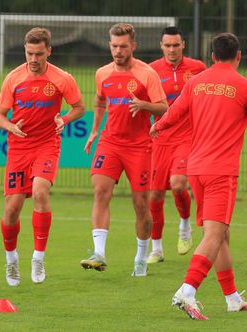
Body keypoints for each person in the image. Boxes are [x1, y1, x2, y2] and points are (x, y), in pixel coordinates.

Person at [150, 33, 247, 320]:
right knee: (214, 234)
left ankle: (232, 298)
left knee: (221, 235)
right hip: (221, 172)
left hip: (195, 169)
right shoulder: (244, 85)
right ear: (238, 56)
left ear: (211, 56)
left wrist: (158, 125)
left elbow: (175, 112)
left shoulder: (195, 82)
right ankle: (187, 290)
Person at [0, 27, 85, 286]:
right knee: (11, 210)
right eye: (30, 53)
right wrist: (10, 126)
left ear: (49, 51)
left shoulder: (62, 78)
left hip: (47, 144)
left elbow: (79, 107)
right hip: (19, 147)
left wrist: (64, 119)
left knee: (40, 193)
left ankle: (38, 257)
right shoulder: (13, 78)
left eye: (39, 54)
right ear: (25, 50)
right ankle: (11, 260)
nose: (34, 59)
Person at [80, 23, 168, 277]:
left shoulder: (147, 74)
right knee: (100, 191)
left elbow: (164, 108)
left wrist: (143, 105)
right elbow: (99, 101)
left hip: (140, 146)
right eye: (114, 46)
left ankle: (141, 256)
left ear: (133, 46)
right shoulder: (102, 73)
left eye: (123, 46)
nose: (118, 51)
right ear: (109, 45)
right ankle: (99, 253)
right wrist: (95, 130)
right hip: (110, 142)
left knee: (141, 204)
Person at [147, 26, 207, 264]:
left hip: (187, 137)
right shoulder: (152, 70)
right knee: (155, 195)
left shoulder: (198, 68)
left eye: (176, 45)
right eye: (167, 45)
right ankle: (157, 248)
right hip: (160, 139)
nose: (171, 49)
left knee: (179, 184)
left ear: (183, 45)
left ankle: (184, 225)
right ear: (161, 46)